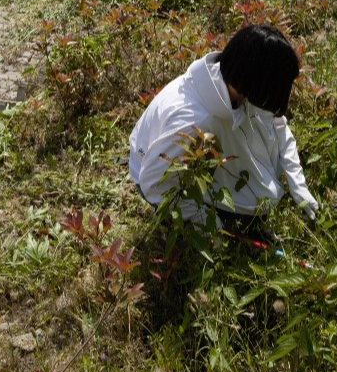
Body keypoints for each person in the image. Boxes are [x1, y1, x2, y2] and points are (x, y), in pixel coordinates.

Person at [128, 24, 319, 227]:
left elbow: (279, 126)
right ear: (258, 83)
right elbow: (154, 182)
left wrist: (297, 183)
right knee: (253, 206)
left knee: (261, 192)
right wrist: (207, 222)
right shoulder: (197, 120)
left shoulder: (235, 82)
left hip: (191, 154)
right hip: (151, 176)